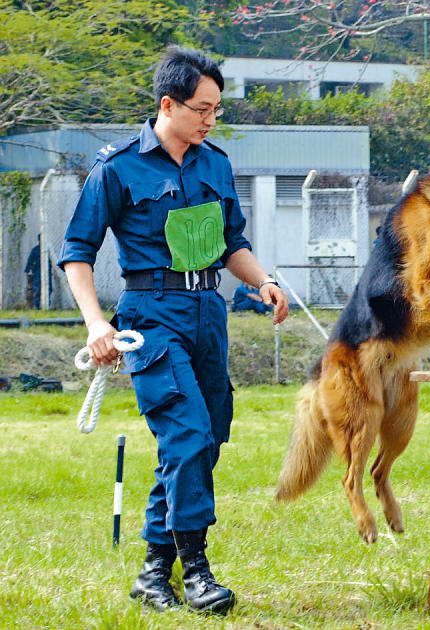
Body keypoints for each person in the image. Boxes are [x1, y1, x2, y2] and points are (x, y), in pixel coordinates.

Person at [57, 46, 289, 615]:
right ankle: (198, 573)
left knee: (202, 442)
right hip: (151, 313)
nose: (211, 120)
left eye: (216, 110)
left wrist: (262, 281)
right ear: (168, 103)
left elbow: (232, 242)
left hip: (209, 311)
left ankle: (153, 570)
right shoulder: (116, 168)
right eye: (202, 108)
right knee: (186, 437)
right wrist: (94, 323)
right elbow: (76, 253)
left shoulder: (215, 163)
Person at [24, 235, 41, 308]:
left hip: (47, 272)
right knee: (37, 289)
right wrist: (27, 271)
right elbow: (30, 261)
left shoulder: (48, 249)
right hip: (37, 271)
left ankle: (47, 304)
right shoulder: (35, 250)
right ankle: (36, 306)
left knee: (49, 289)